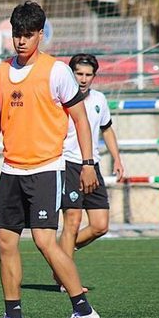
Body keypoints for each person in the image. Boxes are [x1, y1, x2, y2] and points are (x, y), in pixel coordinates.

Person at [0, 1, 102, 318]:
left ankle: (83, 310)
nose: (21, 41)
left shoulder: (56, 71)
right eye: (17, 35)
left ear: (40, 35)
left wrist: (87, 164)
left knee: (44, 239)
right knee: (4, 239)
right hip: (11, 170)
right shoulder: (2, 71)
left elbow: (80, 120)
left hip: (46, 168)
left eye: (28, 35)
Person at [54, 53, 125, 292]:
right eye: (79, 73)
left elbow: (107, 129)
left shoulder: (99, 99)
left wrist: (117, 158)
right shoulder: (61, 100)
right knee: (72, 221)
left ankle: (61, 254)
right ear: (71, 74)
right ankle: (66, 279)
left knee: (100, 225)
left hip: (91, 166)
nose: (83, 79)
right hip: (68, 164)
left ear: (94, 76)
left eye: (88, 74)